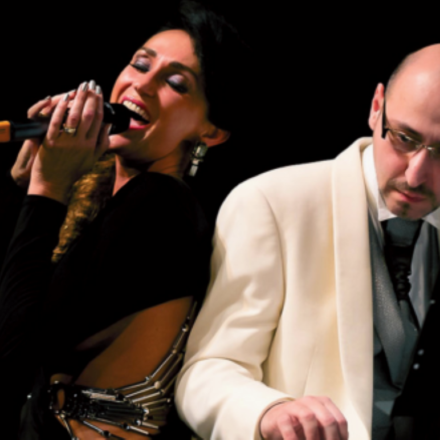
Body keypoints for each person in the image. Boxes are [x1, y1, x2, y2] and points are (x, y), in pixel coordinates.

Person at [0, 2, 252, 438]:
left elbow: (15, 352)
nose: (143, 84)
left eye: (176, 83)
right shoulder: (107, 197)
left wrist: (46, 191)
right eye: (140, 64)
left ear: (210, 131)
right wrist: (33, 187)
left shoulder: (162, 207)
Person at [175, 44, 440, 440]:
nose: (416, 174)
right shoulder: (270, 203)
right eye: (403, 138)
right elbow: (205, 371)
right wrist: (268, 413)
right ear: (376, 106)